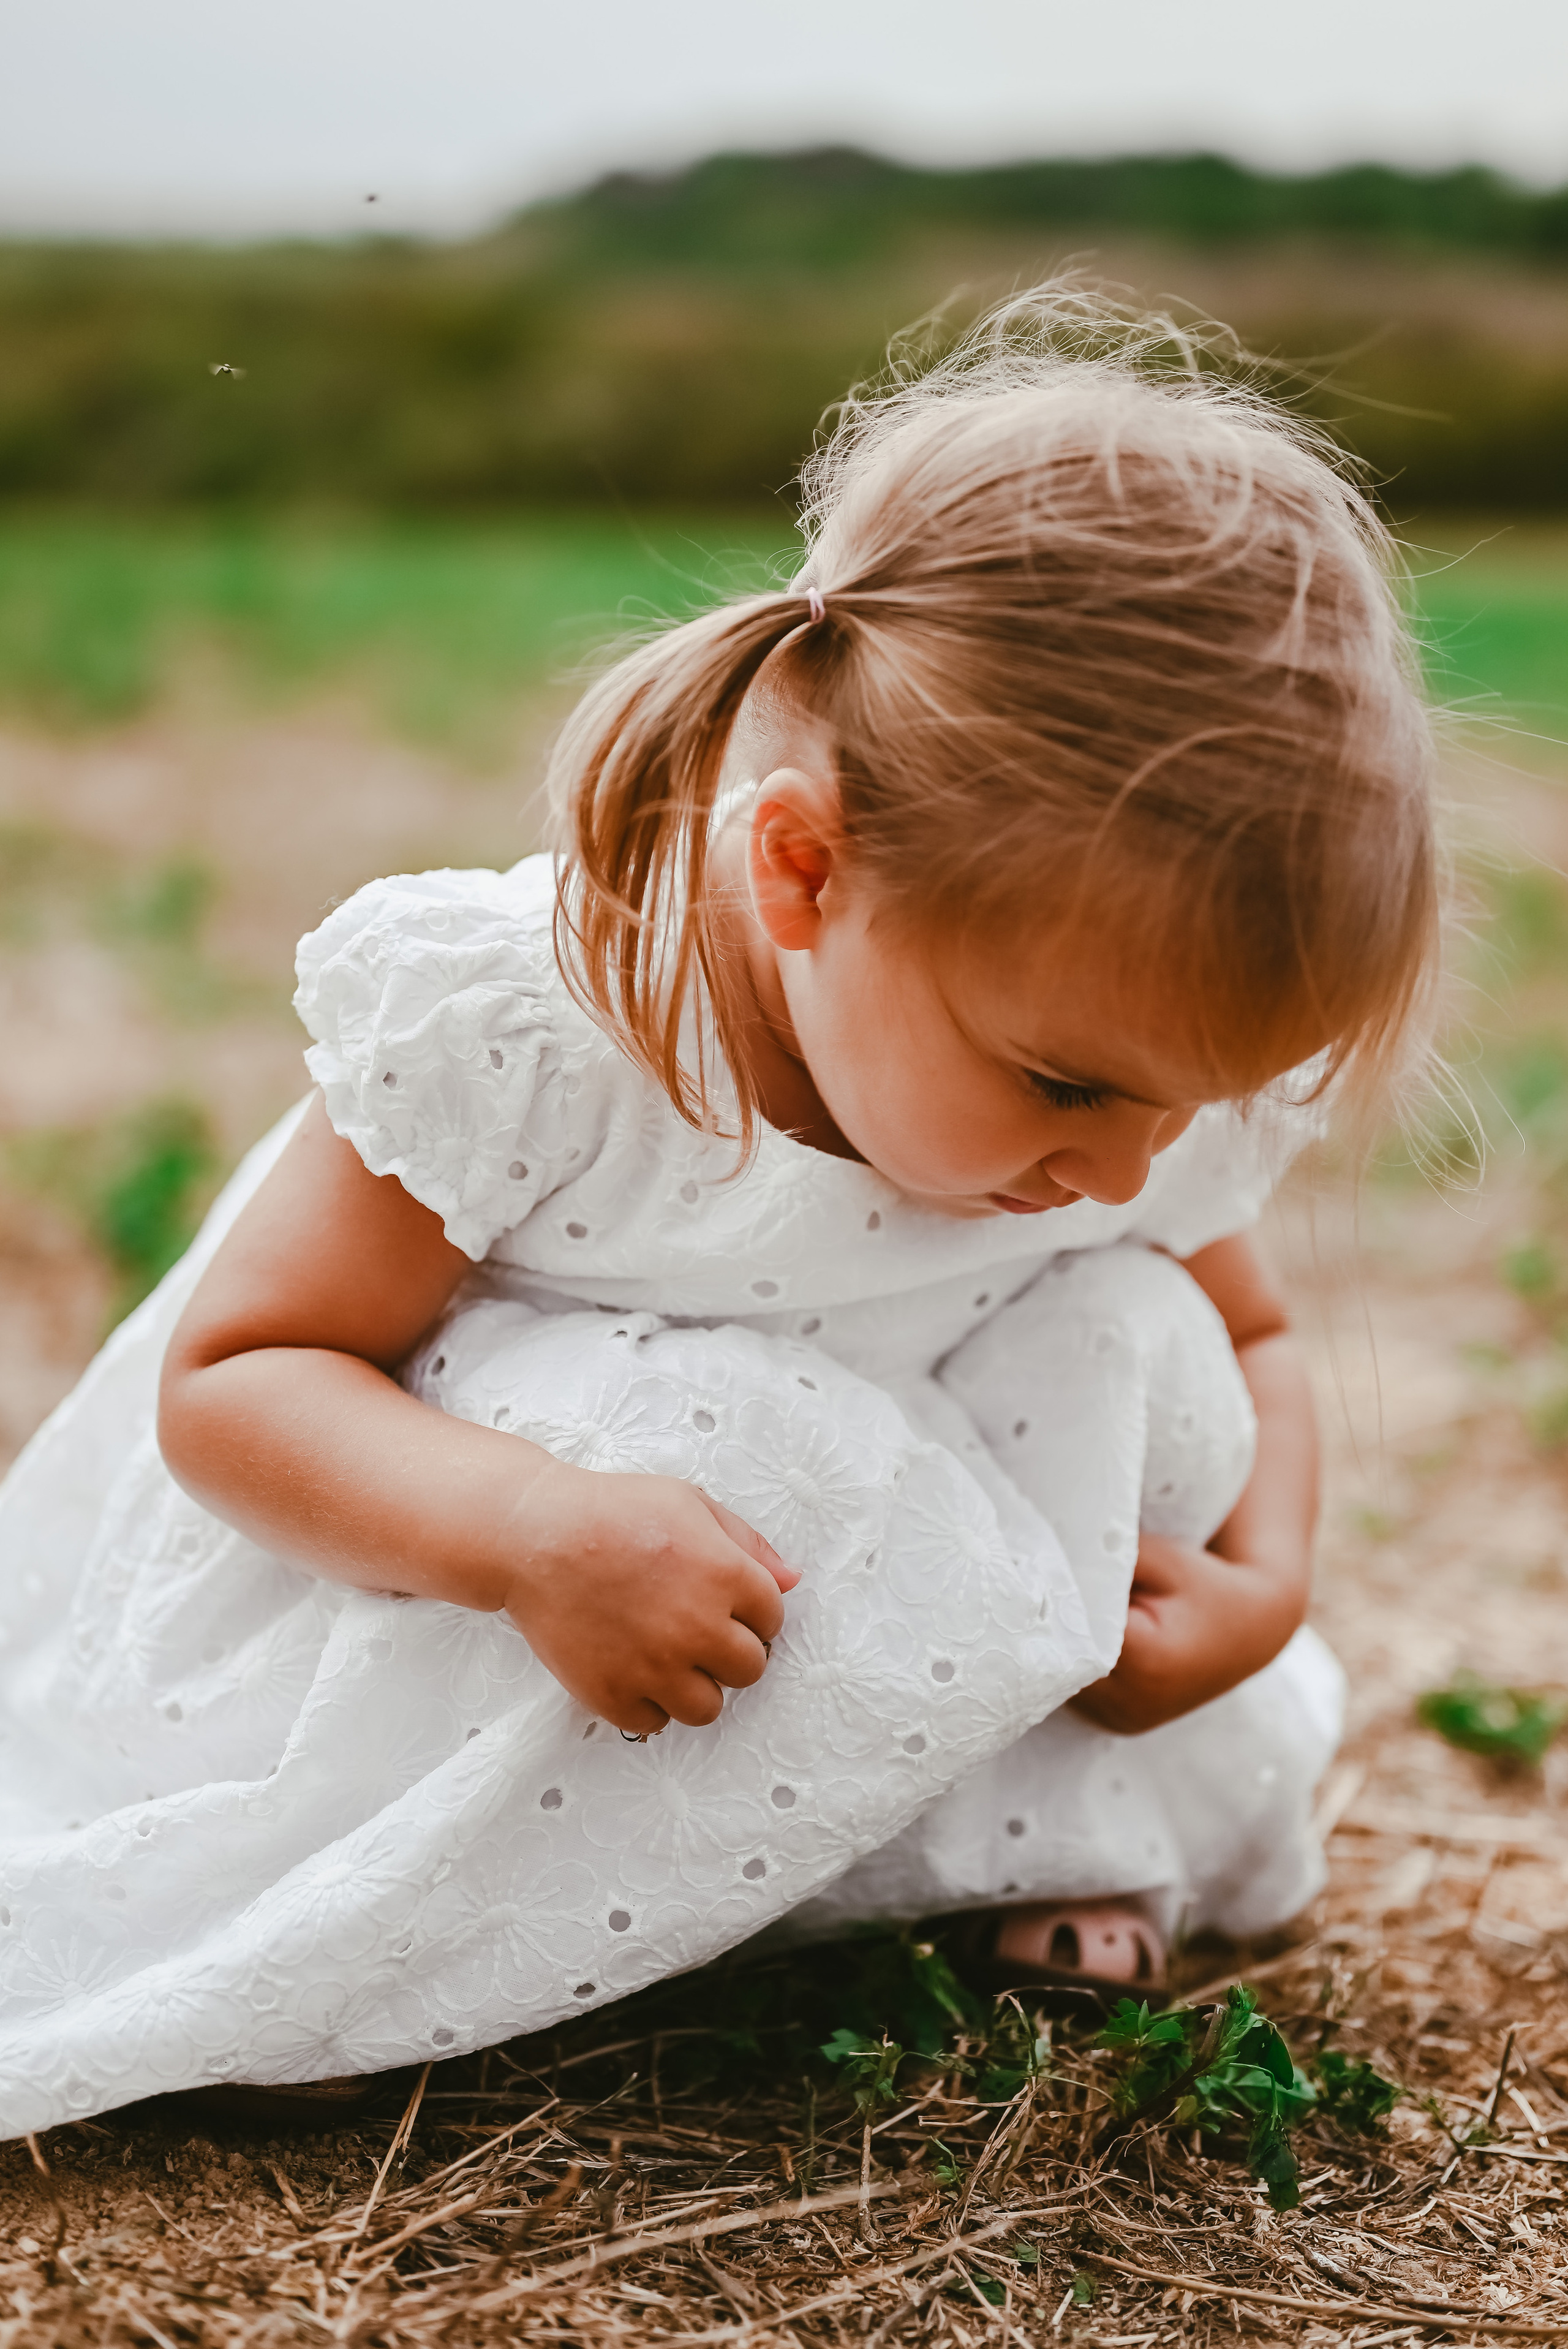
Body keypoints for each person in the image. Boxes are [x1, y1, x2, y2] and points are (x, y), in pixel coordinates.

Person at [0, 288, 1438, 2136]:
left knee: (1134, 1340)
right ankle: (437, 1900)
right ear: (803, 868)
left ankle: (975, 1848)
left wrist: (1265, 1582)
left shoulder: (1124, 1106)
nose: (1132, 1166)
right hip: (489, 1591)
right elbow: (243, 1377)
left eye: (1194, 1098)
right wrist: (529, 1529)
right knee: (700, 1422)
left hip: (850, 1599)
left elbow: (1247, 1331)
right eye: (1071, 1083)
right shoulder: (550, 1028)